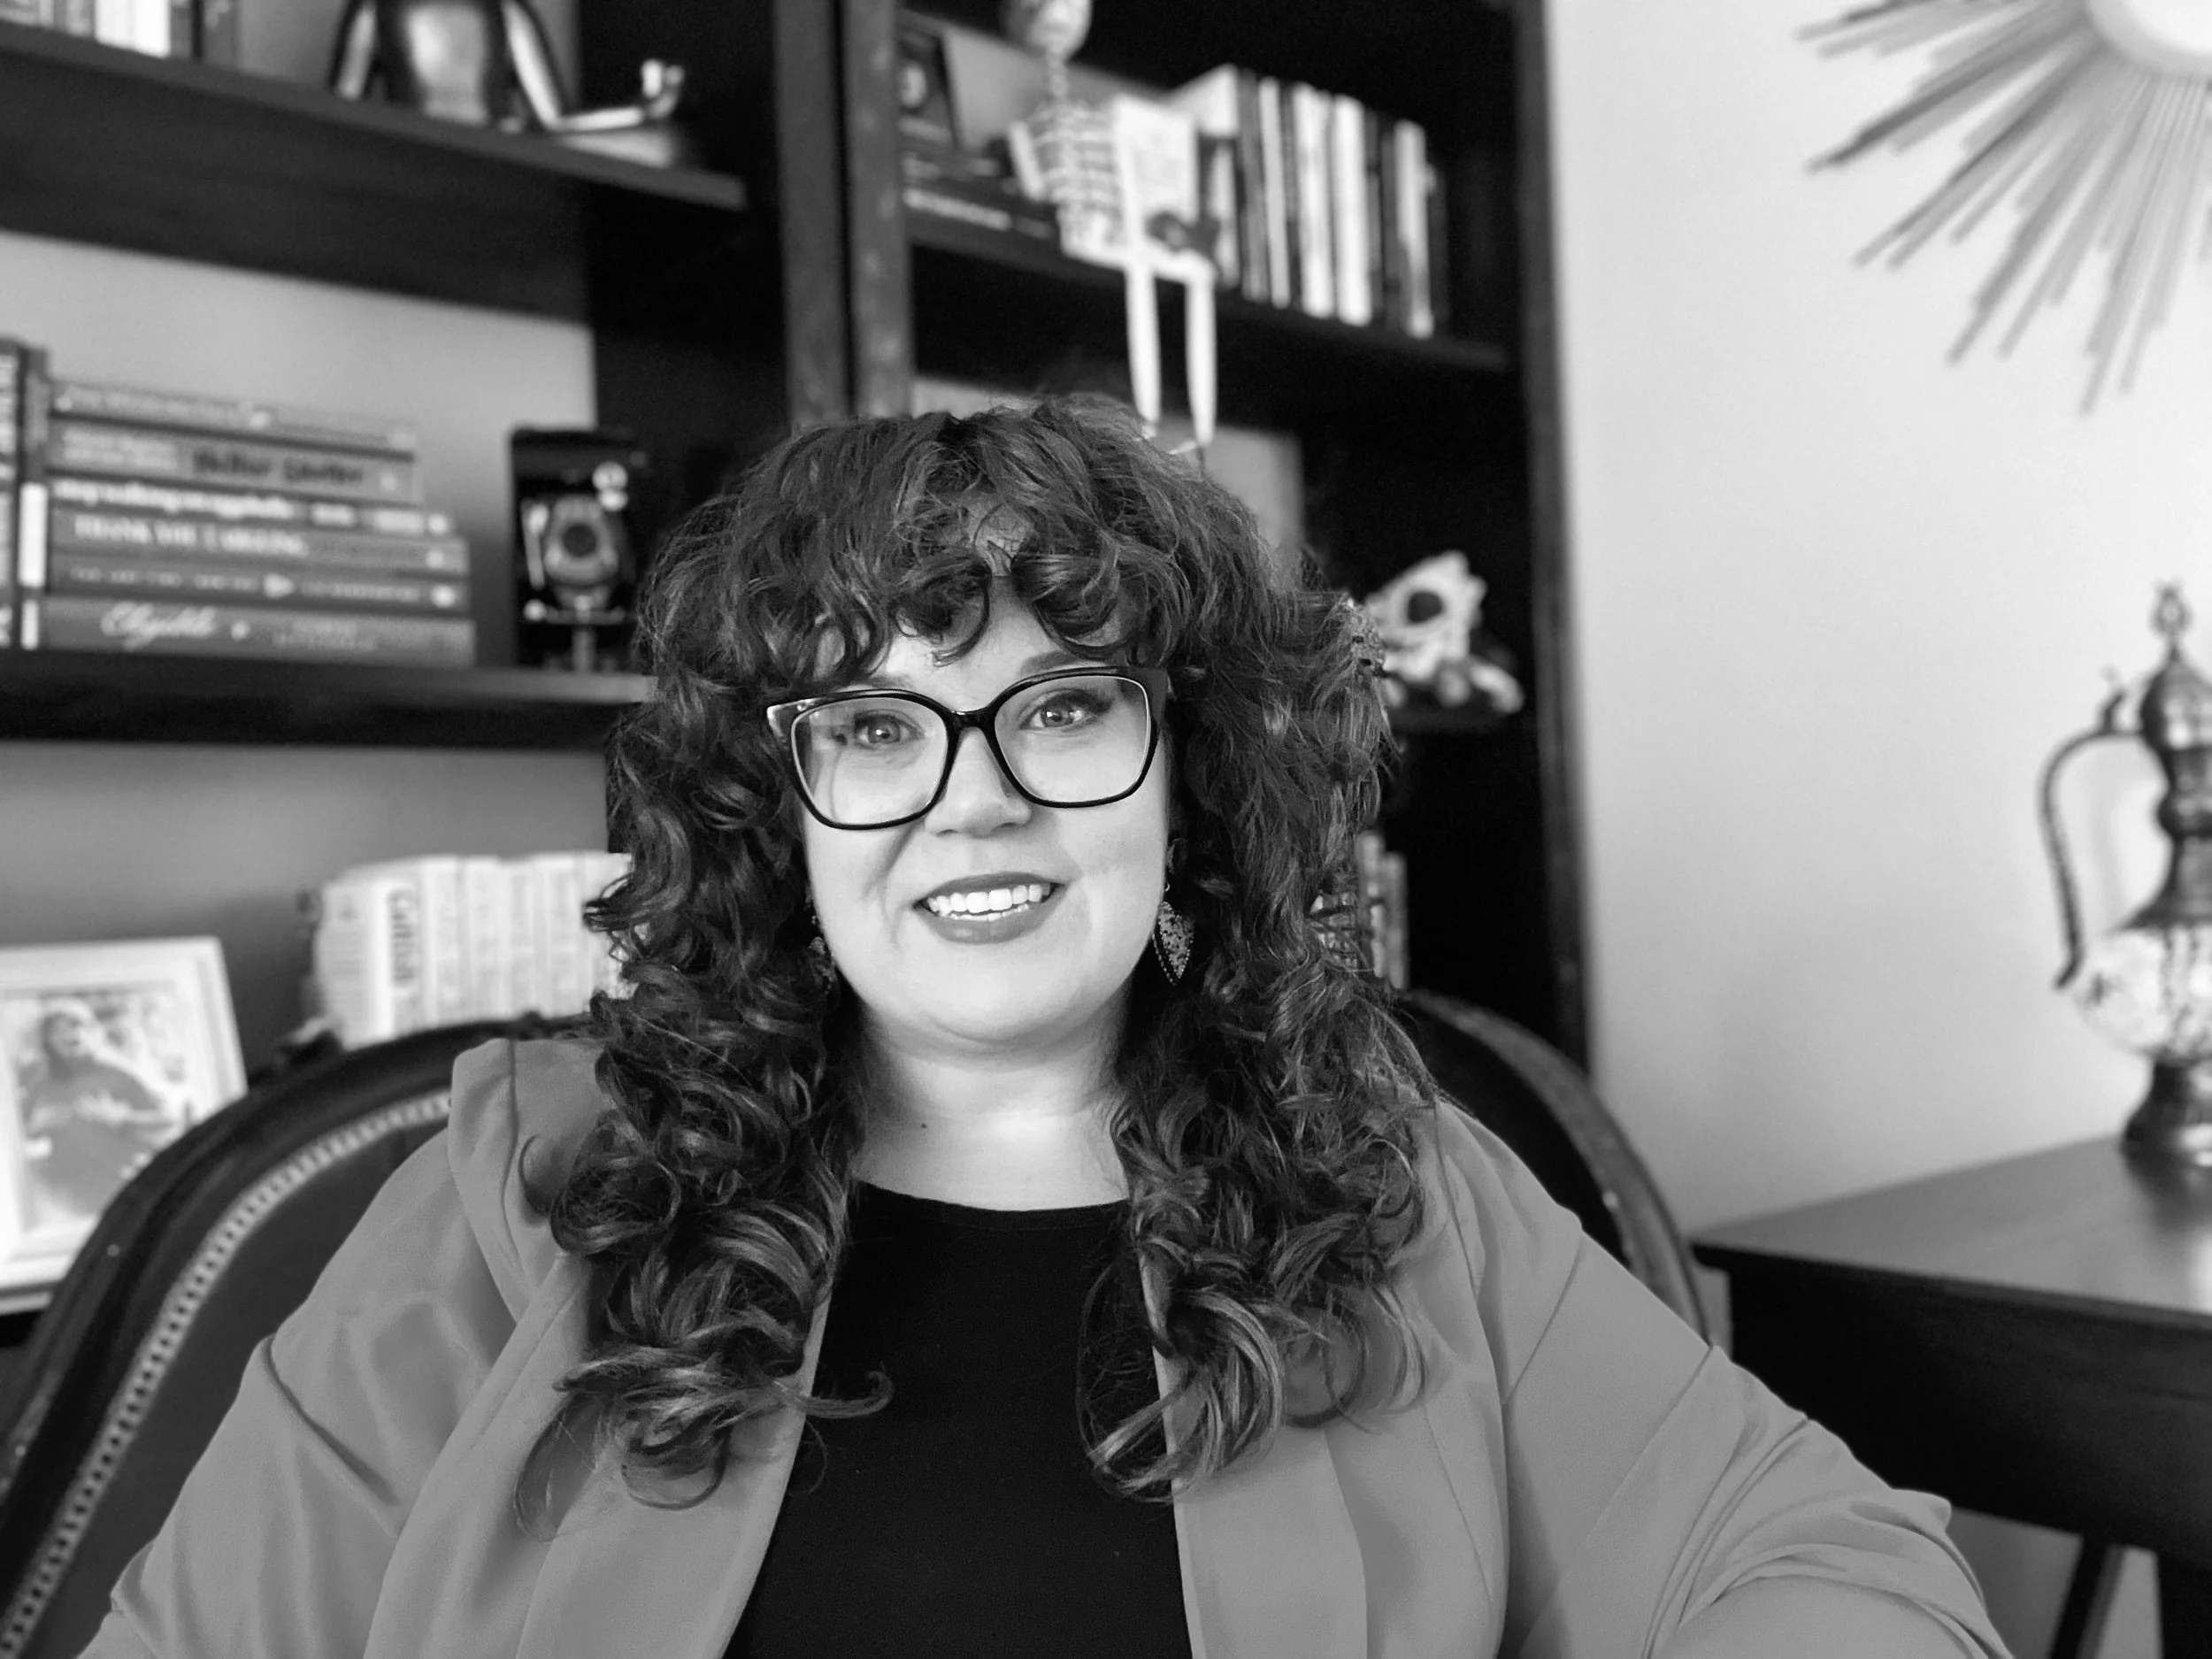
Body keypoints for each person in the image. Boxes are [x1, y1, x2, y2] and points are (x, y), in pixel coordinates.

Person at [85, 397, 2010, 1658]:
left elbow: (1849, 1573)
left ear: (1187, 765)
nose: (969, 798)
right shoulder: (526, 1187)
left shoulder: (1379, 1179)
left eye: (1064, 705)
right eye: (869, 725)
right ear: (779, 812)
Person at [18, 998, 180, 1232]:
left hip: (122, 1188)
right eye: (57, 1029)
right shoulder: (40, 1084)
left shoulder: (119, 1073)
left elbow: (170, 1120)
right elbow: (17, 1140)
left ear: (93, 1032)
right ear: (48, 1040)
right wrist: (34, 1128)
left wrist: (124, 1120)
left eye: (76, 1025)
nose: (70, 1034)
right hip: (69, 1196)